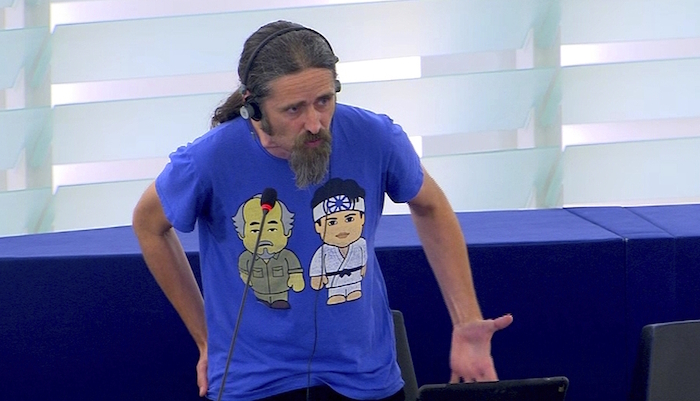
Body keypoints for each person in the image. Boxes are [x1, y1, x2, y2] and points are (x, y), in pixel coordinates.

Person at [132, 20, 513, 401]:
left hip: (364, 376)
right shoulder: (209, 159)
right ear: (253, 107)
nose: (314, 123)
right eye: (293, 109)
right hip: (254, 382)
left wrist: (467, 320)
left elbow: (430, 206)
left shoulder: (374, 137)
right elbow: (148, 223)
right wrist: (206, 338)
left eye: (324, 101)